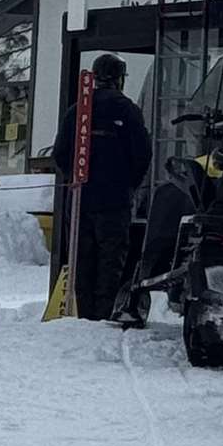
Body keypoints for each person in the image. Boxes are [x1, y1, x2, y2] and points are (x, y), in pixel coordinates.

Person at [52, 52, 152, 322]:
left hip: (80, 197)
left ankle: (85, 316)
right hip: (115, 200)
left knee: (82, 260)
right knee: (111, 261)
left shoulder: (77, 110)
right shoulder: (128, 110)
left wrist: (75, 177)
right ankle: (106, 314)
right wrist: (129, 185)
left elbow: (60, 153)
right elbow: (142, 154)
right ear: (120, 79)